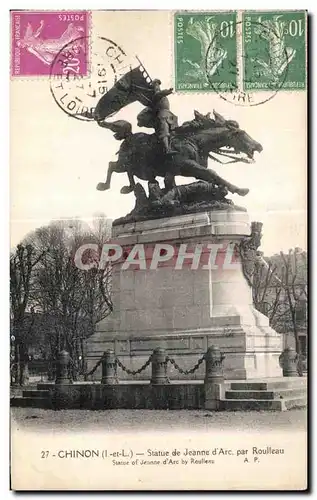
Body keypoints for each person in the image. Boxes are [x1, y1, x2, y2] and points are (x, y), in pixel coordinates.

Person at [137, 79, 178, 155]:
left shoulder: (160, 96)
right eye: (156, 85)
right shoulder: (156, 96)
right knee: (164, 130)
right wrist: (167, 91)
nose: (157, 86)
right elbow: (158, 95)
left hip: (169, 114)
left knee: (175, 130)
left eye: (158, 85)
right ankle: (167, 149)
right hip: (162, 115)